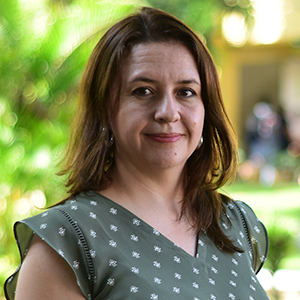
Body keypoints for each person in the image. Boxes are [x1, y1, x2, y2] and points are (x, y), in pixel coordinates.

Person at [4, 7, 269, 300]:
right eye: (143, 91)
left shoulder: (235, 224)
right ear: (105, 109)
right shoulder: (66, 242)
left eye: (186, 92)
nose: (168, 112)